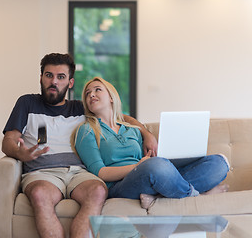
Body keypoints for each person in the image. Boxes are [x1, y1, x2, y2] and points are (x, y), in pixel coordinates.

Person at [2, 53, 158, 238]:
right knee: (39, 195)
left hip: (80, 173)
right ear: (41, 78)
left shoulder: (80, 107)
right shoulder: (26, 103)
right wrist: (21, 153)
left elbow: (120, 117)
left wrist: (146, 133)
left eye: (61, 77)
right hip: (42, 172)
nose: (54, 81)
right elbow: (8, 141)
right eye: (49, 75)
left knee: (98, 191)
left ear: (70, 83)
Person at [71, 77, 230, 210]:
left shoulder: (132, 129)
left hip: (148, 175)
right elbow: (100, 172)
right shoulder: (86, 131)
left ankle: (159, 196)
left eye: (97, 90)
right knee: (156, 166)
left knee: (219, 162)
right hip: (120, 186)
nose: (91, 94)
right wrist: (138, 166)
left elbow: (148, 160)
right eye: (87, 93)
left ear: (111, 97)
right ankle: (197, 196)